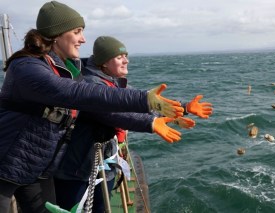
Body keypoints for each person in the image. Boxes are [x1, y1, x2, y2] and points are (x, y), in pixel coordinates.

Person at [0, 1, 185, 213]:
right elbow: (78, 93)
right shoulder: (27, 67)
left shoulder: (67, 68)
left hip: (36, 168)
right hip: (6, 164)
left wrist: (178, 109)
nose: (83, 39)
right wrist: (144, 100)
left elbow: (105, 96)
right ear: (57, 34)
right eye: (77, 31)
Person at [53, 36, 213, 212]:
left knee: (102, 206)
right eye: (120, 57)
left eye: (126, 56)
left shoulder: (113, 82)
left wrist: (185, 107)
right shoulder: (91, 85)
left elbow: (145, 104)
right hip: (78, 170)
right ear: (104, 62)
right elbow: (112, 113)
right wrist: (151, 123)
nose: (126, 60)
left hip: (101, 163)